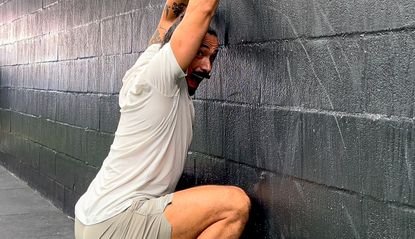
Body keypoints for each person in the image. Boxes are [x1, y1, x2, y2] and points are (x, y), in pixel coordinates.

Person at [74, 0, 250, 238]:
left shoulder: (143, 69)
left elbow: (165, 24)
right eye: (199, 52)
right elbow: (203, 8)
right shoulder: (161, 79)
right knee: (234, 205)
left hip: (91, 217)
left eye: (212, 57)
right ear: (181, 47)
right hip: (117, 220)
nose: (207, 67)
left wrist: (176, 6)